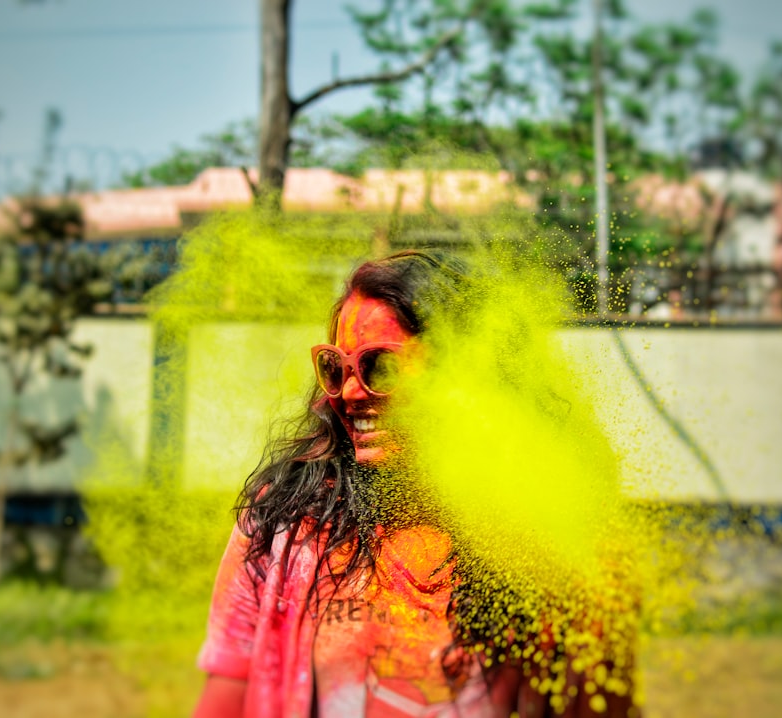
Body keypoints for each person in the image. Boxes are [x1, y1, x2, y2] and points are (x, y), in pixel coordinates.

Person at [193, 250, 637, 718]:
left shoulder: (551, 539)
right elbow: (228, 693)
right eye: (335, 368)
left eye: (379, 367)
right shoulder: (287, 520)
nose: (348, 393)